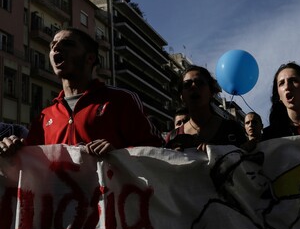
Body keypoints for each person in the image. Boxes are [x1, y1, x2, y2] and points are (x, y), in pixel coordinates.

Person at [1, 27, 163, 157]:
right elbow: (30, 164)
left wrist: (120, 155)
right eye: (53, 45)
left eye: (68, 44)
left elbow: (157, 150)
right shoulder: (44, 117)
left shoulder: (121, 100)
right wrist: (13, 148)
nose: (56, 47)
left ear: (90, 58)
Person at [165, 66, 246, 151]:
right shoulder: (172, 138)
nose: (193, 86)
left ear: (211, 92)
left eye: (200, 83)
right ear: (182, 96)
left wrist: (219, 152)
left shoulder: (232, 129)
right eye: (187, 84)